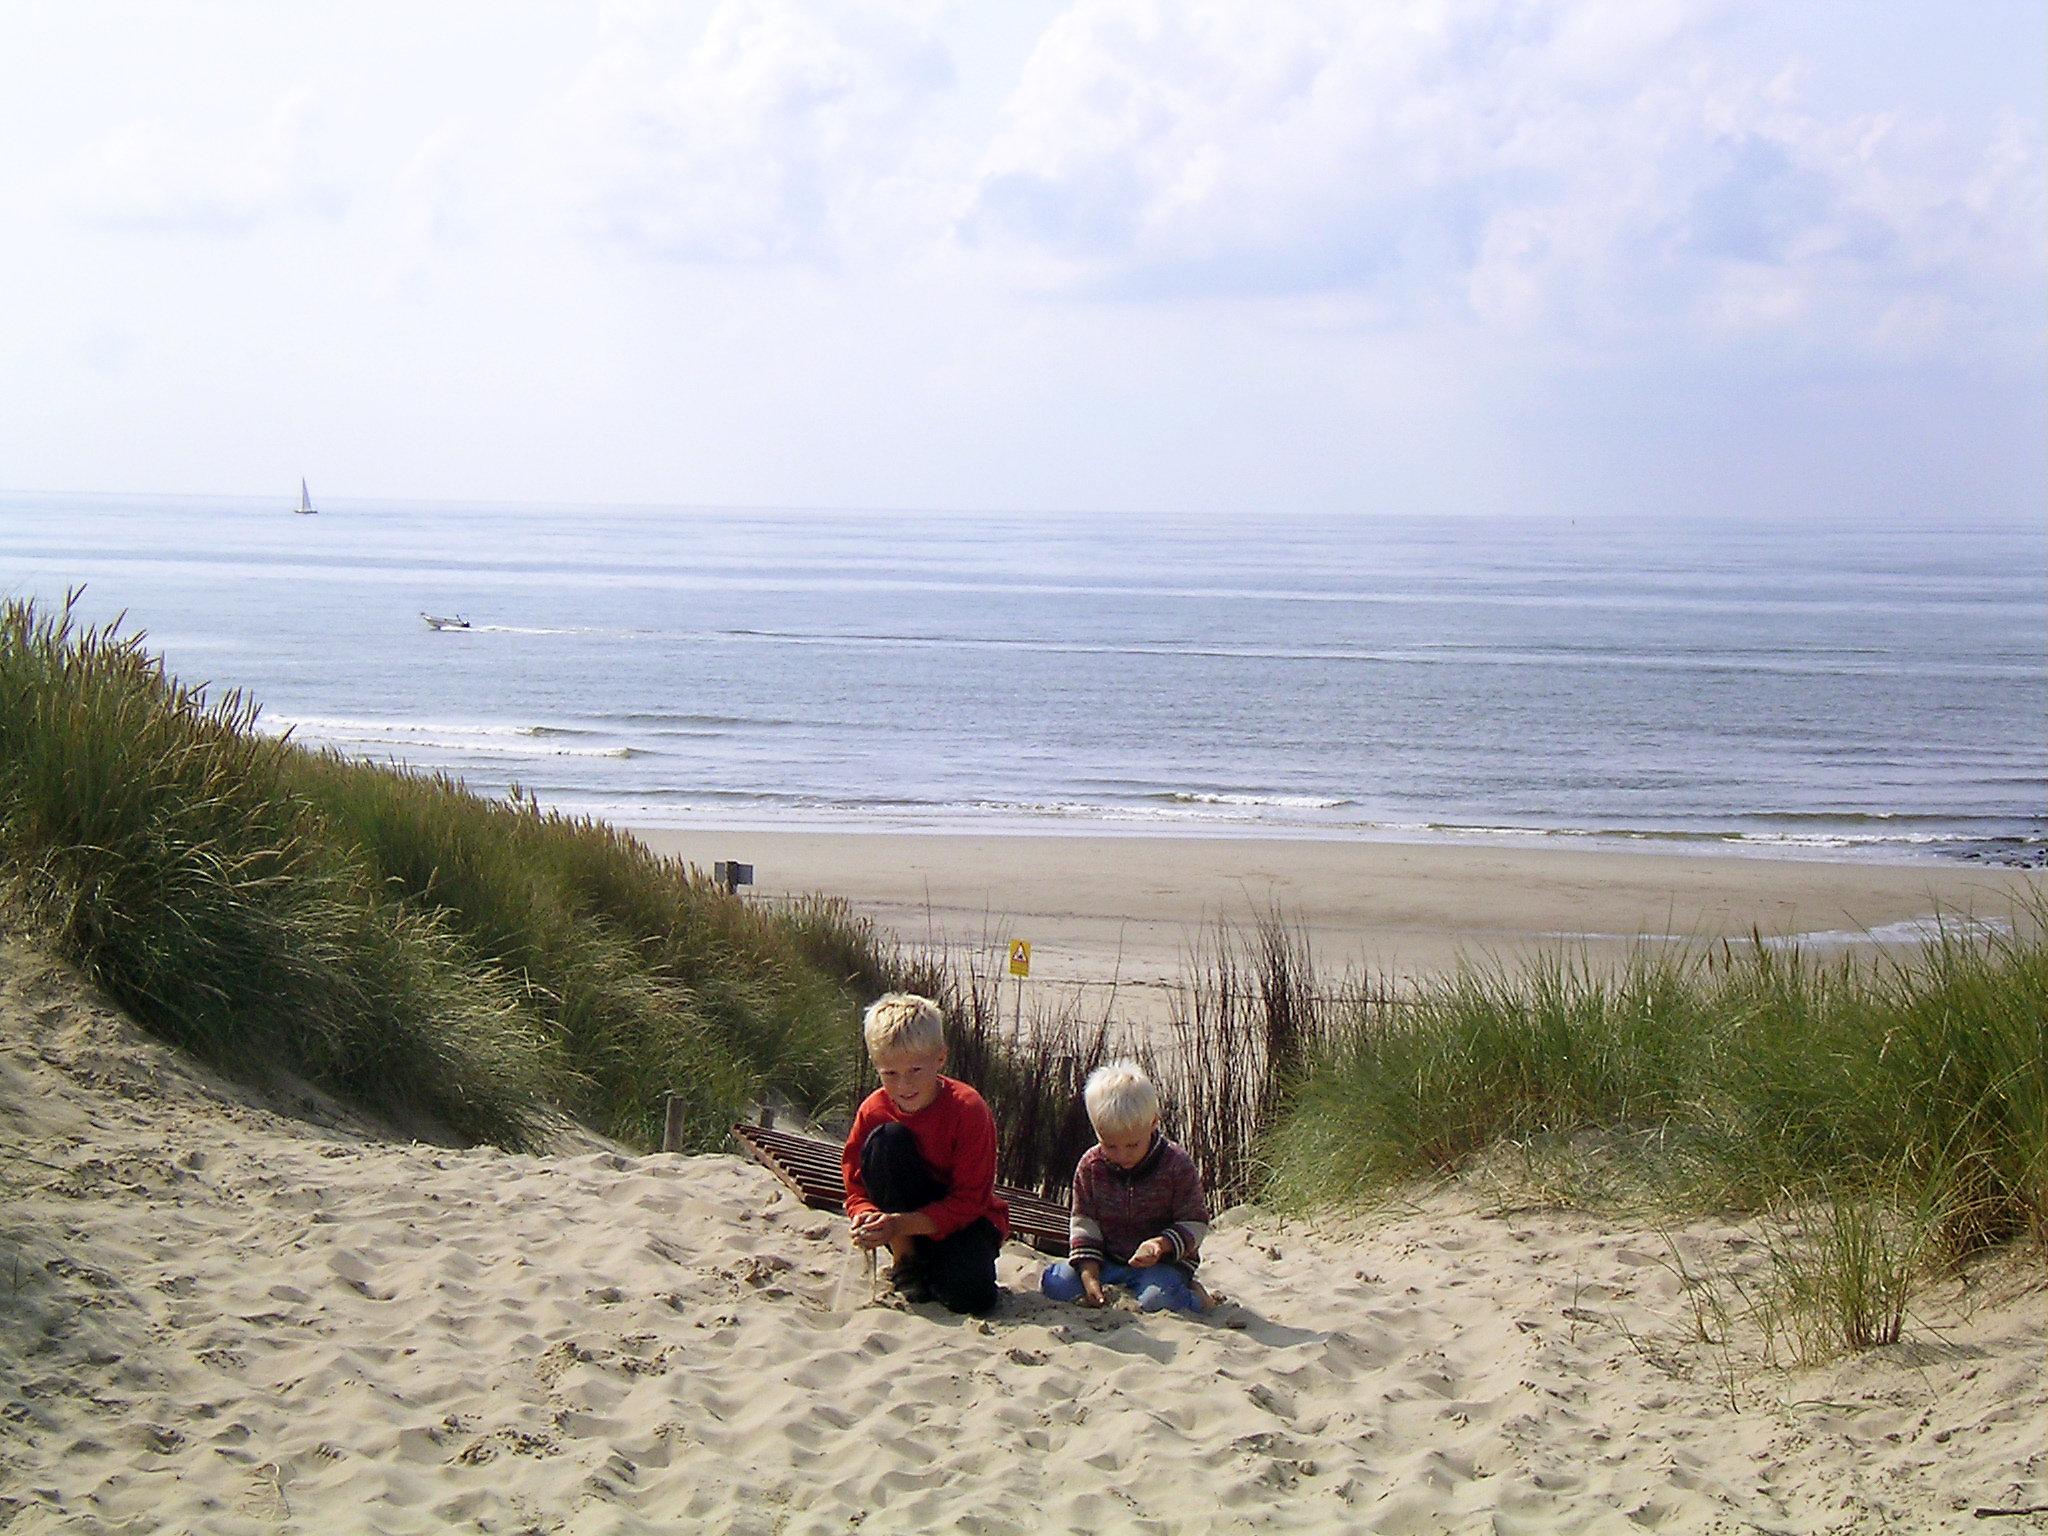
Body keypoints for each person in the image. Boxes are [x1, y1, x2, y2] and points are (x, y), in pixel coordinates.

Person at [841, 993, 1009, 1315]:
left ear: (940, 1058)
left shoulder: (968, 1109)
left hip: (965, 1219)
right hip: (902, 1212)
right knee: (885, 1140)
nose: (904, 1085)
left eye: (915, 1069)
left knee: (971, 1298)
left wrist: (900, 1224)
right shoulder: (873, 1110)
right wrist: (865, 1216)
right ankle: (906, 1260)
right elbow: (856, 1186)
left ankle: (935, 1263)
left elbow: (971, 1200)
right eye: (890, 1073)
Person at [1041, 1061, 1212, 1314]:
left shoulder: (1175, 1164)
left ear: (1153, 1123)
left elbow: (1195, 1222)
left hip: (1161, 1265)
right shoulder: (1091, 1166)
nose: (1122, 1155)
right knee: (1056, 1284)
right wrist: (1089, 1275)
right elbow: (1084, 1223)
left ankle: (1199, 1297)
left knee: (1157, 1301)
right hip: (1107, 1261)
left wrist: (1160, 1244)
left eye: (1132, 1145)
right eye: (1110, 1145)